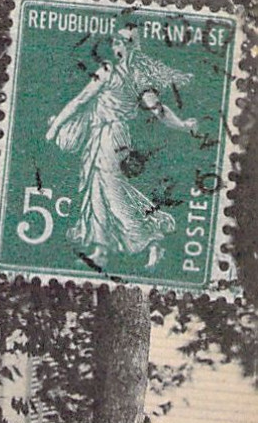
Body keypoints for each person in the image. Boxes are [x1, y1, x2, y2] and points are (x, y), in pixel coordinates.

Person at [45, 25, 198, 271]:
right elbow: (81, 99)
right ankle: (101, 249)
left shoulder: (137, 77)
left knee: (111, 191)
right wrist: (56, 127)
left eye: (126, 42)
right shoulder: (107, 70)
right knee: (98, 189)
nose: (120, 47)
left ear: (134, 47)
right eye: (117, 42)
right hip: (98, 134)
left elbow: (158, 110)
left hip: (114, 137)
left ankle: (149, 239)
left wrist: (182, 125)